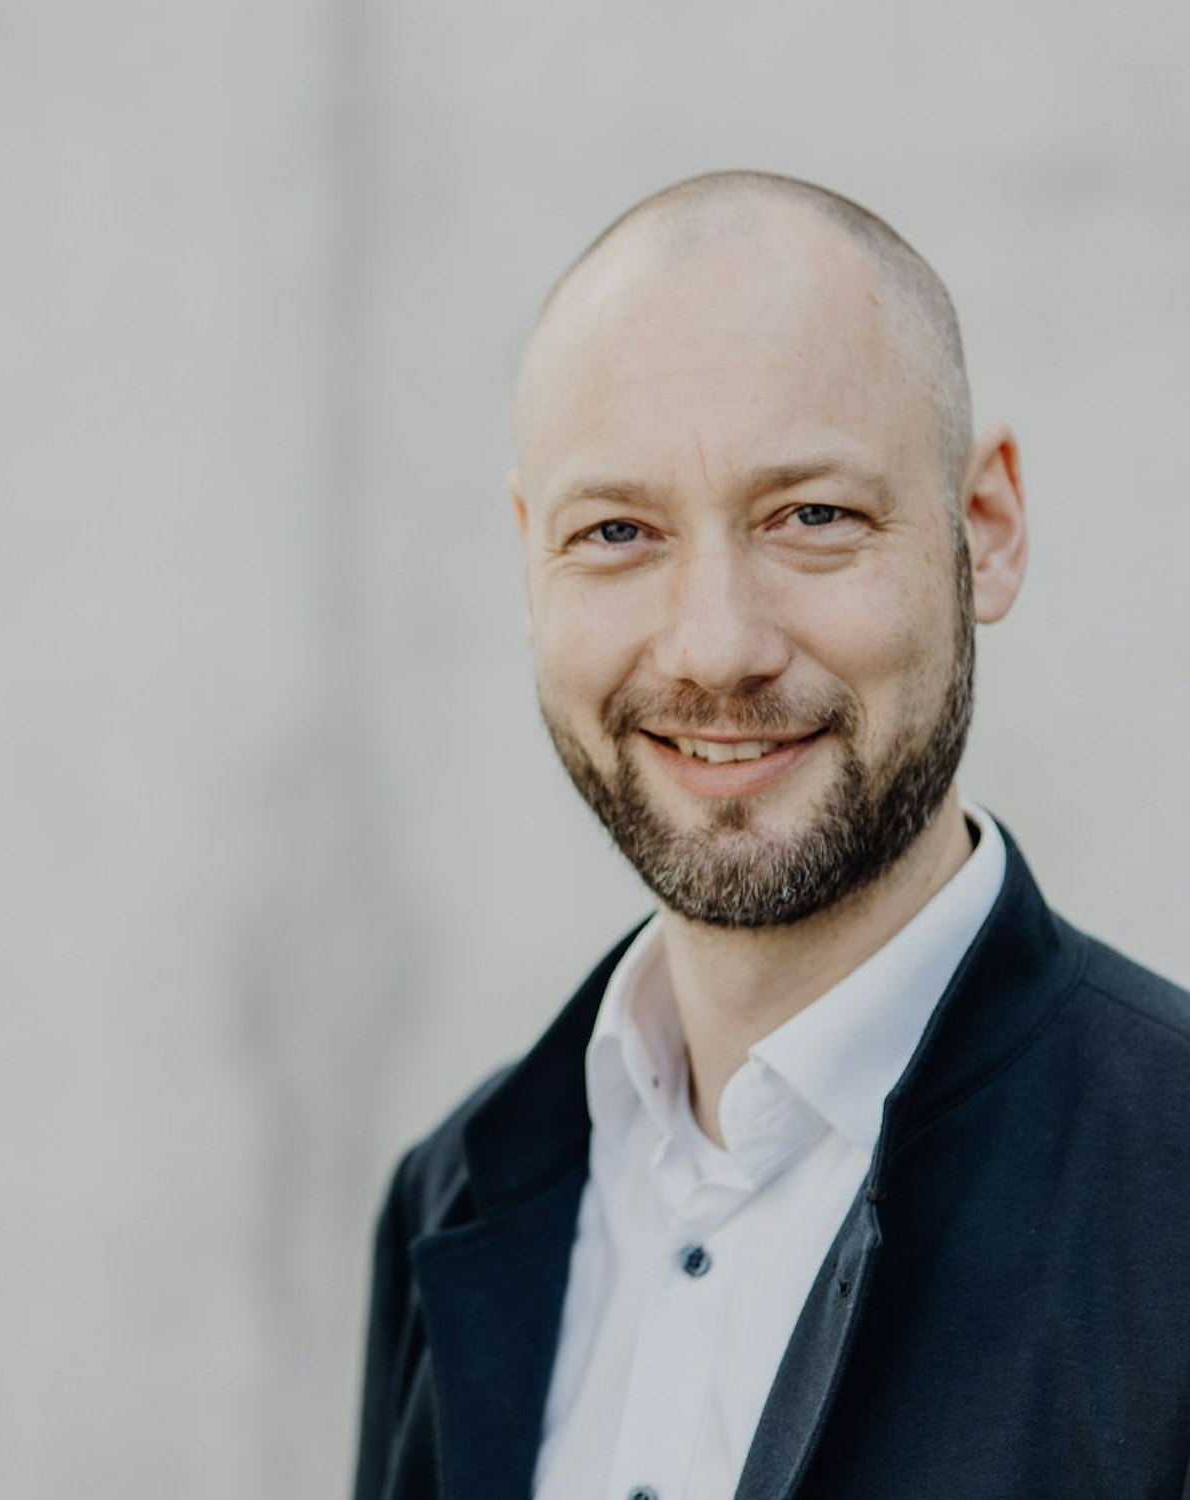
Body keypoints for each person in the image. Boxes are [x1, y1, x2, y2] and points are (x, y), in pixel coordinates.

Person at [353, 172, 1190, 1500]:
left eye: (813, 517)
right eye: (617, 532)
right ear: (530, 563)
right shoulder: (451, 1202)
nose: (717, 648)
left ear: (989, 529)